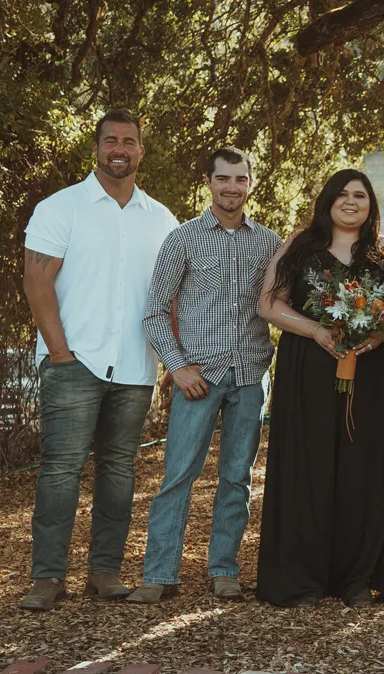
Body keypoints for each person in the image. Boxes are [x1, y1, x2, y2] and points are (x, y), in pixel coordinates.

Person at [19, 109, 180, 611]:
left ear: (140, 151)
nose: (120, 149)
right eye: (111, 139)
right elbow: (36, 280)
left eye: (129, 141)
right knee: (61, 470)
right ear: (96, 147)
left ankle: (105, 572)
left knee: (118, 471)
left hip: (135, 367)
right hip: (75, 362)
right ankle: (47, 578)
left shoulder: (162, 220)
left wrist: (172, 361)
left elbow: (172, 296)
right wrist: (61, 354)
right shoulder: (61, 208)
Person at [254, 169, 384, 608]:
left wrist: (382, 335)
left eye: (360, 195)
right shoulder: (299, 246)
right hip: (310, 369)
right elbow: (268, 303)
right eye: (342, 194)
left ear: (371, 204)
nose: (350, 202)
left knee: (364, 471)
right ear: (327, 200)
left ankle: (358, 578)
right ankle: (303, 578)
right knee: (309, 467)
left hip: (373, 375)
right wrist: (316, 331)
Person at [129, 147, 282, 604]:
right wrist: (177, 367)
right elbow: (154, 312)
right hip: (199, 377)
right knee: (178, 475)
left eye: (240, 178)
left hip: (251, 375)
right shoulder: (184, 239)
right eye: (223, 178)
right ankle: (159, 574)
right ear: (209, 182)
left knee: (238, 477)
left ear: (250, 183)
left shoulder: (269, 243)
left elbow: (281, 304)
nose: (231, 187)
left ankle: (224, 570)